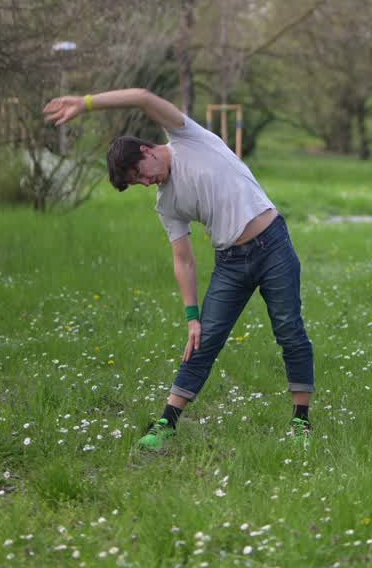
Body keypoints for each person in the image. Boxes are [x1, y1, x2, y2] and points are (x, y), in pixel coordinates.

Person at [44, 89, 314, 451]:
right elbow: (183, 259)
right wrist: (191, 317)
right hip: (231, 263)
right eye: (136, 183)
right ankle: (166, 424)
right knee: (201, 342)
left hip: (273, 245)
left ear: (148, 151)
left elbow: (142, 96)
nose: (145, 183)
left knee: (289, 330)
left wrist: (87, 103)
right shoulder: (166, 203)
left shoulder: (189, 137)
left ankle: (301, 423)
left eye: (140, 174)